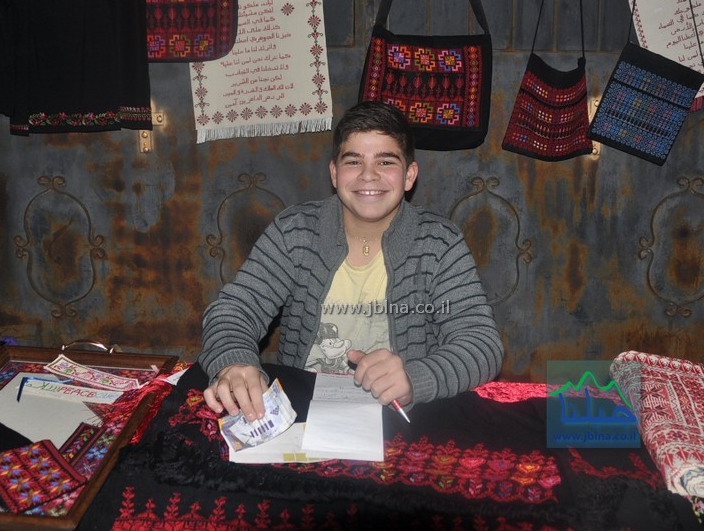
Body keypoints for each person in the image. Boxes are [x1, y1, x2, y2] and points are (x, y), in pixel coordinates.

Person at [199, 101, 504, 422]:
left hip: (400, 414)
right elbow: (235, 310)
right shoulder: (295, 231)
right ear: (334, 173)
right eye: (354, 161)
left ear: (409, 175)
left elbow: (481, 344)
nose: (368, 175)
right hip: (301, 408)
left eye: (385, 161)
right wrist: (234, 363)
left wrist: (416, 378)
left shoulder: (439, 242)